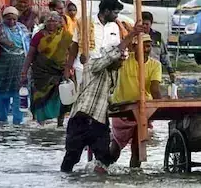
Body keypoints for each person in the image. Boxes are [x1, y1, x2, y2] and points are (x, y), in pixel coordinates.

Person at [61, 27, 143, 173]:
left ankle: (100, 186)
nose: (121, 64)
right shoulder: (93, 64)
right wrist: (130, 35)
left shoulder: (114, 73)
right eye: (119, 60)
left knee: (104, 160)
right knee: (71, 158)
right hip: (82, 117)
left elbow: (108, 97)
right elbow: (109, 58)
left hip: (99, 121)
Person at [108, 33, 163, 168]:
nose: (146, 49)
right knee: (116, 146)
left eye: (149, 46)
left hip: (143, 109)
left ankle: (134, 177)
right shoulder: (125, 61)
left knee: (138, 148)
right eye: (143, 45)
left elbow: (155, 88)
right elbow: (114, 58)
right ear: (135, 47)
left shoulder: (155, 65)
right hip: (122, 108)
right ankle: (104, 167)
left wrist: (161, 105)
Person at [21, 11, 73, 126]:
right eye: (48, 21)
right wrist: (24, 70)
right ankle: (41, 122)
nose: (51, 23)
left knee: (61, 97)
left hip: (60, 70)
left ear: (59, 23)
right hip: (41, 72)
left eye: (54, 21)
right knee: (40, 97)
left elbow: (72, 52)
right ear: (45, 22)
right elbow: (30, 54)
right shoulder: (39, 35)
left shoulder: (65, 36)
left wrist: (69, 68)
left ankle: (60, 122)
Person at [0, 7, 31, 124]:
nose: (11, 22)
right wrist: (0, 42)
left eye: (14, 19)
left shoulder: (22, 29)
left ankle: (17, 121)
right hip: (2, 66)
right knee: (1, 93)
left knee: (19, 92)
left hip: (19, 65)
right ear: (4, 18)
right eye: (8, 19)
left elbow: (28, 46)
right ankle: (3, 120)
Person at [66, 0, 130, 74]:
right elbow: (75, 45)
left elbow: (116, 47)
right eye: (115, 13)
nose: (117, 16)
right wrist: (68, 66)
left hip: (105, 69)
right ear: (106, 11)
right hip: (84, 68)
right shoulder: (85, 22)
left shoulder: (114, 26)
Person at [141, 11, 175, 84]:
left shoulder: (157, 36)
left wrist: (170, 71)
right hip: (140, 70)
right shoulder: (135, 36)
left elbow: (164, 54)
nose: (144, 26)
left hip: (155, 70)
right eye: (142, 24)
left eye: (146, 24)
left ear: (151, 24)